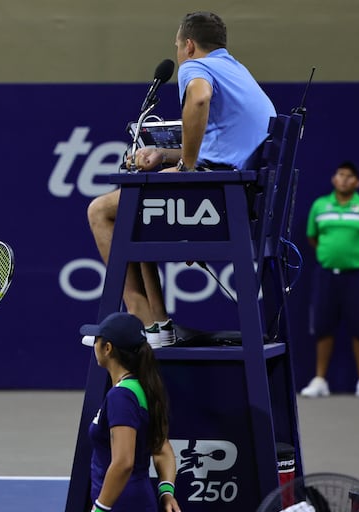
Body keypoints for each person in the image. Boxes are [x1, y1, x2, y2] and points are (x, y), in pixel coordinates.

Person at [86, 11, 276, 348]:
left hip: (216, 199)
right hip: (235, 193)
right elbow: (225, 147)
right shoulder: (237, 71)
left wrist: (186, 168)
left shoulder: (195, 67)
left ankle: (138, 320)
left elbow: (199, 98)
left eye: (177, 45)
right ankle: (156, 324)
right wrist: (164, 157)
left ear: (189, 45)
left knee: (101, 210)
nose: (177, 52)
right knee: (135, 209)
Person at [80, 312, 184, 512]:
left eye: (97, 339)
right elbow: (162, 448)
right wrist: (166, 492)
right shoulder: (139, 388)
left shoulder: (122, 397)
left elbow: (123, 462)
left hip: (121, 510)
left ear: (108, 349)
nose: (94, 344)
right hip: (131, 504)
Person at [300, 161, 359, 399]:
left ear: (357, 182)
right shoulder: (320, 205)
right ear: (334, 179)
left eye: (350, 176)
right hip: (326, 274)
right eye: (340, 175)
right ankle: (320, 380)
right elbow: (312, 237)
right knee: (323, 327)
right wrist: (329, 255)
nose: (344, 179)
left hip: (358, 275)